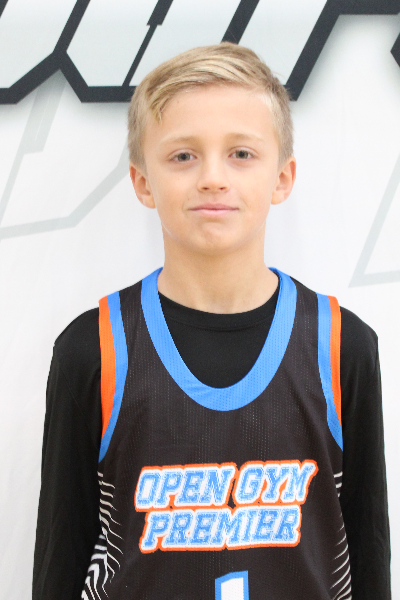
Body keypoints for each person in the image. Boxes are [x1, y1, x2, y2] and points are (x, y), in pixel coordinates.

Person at [32, 42, 391, 600]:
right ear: (143, 182)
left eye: (241, 153)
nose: (212, 178)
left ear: (283, 177)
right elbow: (61, 556)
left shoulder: (341, 345)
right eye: (183, 156)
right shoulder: (94, 348)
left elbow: (368, 553)